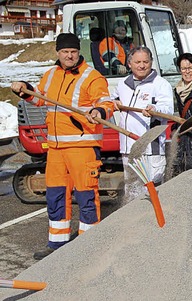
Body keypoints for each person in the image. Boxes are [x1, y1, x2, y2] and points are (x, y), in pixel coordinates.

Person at [10, 33, 115, 260]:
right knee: (56, 195)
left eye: (73, 51)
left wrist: (99, 111)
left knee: (86, 195)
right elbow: (39, 98)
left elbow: (106, 102)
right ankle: (57, 244)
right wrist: (25, 88)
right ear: (58, 53)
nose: (69, 55)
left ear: (78, 52)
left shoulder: (92, 77)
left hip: (82, 146)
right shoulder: (50, 75)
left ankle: (89, 245)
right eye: (65, 51)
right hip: (56, 147)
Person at [112, 46, 174, 204]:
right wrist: (112, 103)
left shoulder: (160, 84)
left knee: (150, 192)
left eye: (145, 62)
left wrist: (155, 110)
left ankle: (153, 224)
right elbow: (107, 101)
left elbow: (167, 109)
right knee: (132, 191)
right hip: (128, 149)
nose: (141, 65)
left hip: (149, 149)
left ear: (151, 62)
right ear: (129, 63)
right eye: (137, 62)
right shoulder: (123, 84)